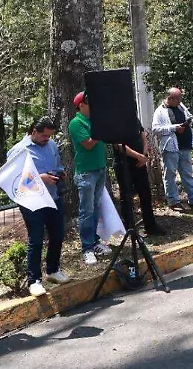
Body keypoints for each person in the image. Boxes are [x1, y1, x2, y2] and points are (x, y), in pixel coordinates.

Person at [7, 117, 70, 297]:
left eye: (49, 136)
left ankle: (53, 270)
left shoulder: (51, 145)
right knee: (36, 239)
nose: (47, 139)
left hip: (52, 197)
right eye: (44, 136)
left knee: (58, 234)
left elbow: (57, 164)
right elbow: (14, 179)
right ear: (34, 131)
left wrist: (60, 171)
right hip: (32, 202)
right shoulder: (19, 150)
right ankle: (34, 280)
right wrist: (40, 178)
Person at [68, 92, 113, 265]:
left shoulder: (94, 121)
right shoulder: (76, 123)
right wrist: (100, 129)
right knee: (86, 211)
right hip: (86, 172)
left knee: (95, 208)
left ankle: (95, 242)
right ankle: (87, 248)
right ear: (81, 105)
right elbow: (88, 143)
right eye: (89, 102)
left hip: (100, 168)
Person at [111, 119, 165, 238]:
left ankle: (150, 226)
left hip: (140, 163)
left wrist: (144, 154)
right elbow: (118, 145)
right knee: (126, 196)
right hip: (123, 164)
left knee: (145, 193)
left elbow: (142, 134)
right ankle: (129, 229)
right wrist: (138, 156)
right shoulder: (114, 119)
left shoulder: (133, 117)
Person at [152, 88, 193, 210]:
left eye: (180, 98)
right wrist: (174, 128)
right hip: (170, 147)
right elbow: (155, 129)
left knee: (187, 173)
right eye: (178, 99)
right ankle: (173, 201)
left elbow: (188, 116)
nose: (180, 101)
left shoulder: (181, 106)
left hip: (185, 145)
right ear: (170, 98)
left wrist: (189, 121)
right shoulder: (160, 111)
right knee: (170, 175)